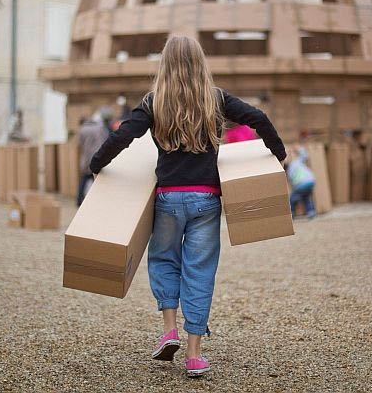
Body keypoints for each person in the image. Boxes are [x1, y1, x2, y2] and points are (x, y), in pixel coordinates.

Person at [89, 36, 285, 377]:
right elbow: (259, 118)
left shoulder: (155, 101)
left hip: (167, 198)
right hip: (206, 200)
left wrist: (96, 163)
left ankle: (169, 330)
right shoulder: (217, 98)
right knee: (199, 270)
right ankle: (194, 355)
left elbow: (123, 136)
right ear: (201, 62)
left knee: (164, 260)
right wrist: (278, 154)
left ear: (165, 64)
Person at [77, 113, 109, 206]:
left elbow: (81, 145)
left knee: (84, 179)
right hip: (98, 157)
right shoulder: (100, 128)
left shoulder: (82, 130)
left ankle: (79, 200)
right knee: (97, 181)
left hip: (86, 158)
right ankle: (99, 200)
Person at [286, 145, 316, 219]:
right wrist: (300, 149)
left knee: (292, 198)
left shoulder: (289, 173)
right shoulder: (295, 162)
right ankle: (311, 212)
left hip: (301, 184)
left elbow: (293, 185)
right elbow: (305, 156)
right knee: (306, 196)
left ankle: (292, 213)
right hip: (311, 181)